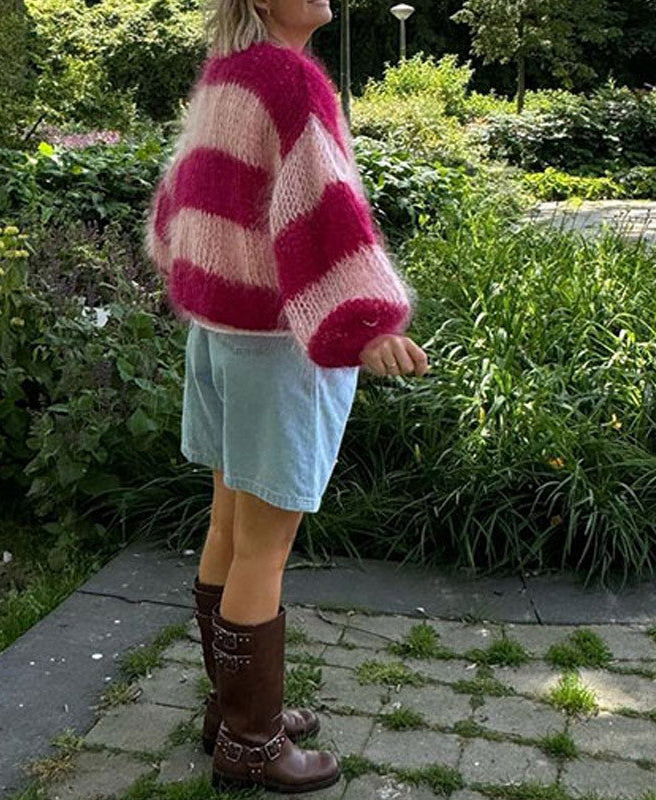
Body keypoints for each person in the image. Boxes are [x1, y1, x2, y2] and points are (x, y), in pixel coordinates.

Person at [143, 0, 430, 791]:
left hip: (221, 336)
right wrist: (364, 325)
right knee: (264, 547)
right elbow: (323, 213)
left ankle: (231, 710)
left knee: (229, 528)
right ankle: (252, 743)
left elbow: (177, 206)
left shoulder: (226, 78)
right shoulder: (289, 80)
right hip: (278, 350)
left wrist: (203, 279)